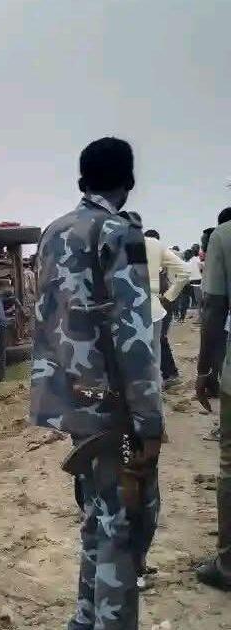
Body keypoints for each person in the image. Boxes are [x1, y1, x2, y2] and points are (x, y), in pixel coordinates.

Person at [31, 137, 162, 629]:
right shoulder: (120, 232)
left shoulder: (54, 231)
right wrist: (149, 418)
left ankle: (85, 620)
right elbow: (134, 334)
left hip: (68, 399)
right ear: (128, 181)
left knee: (98, 516)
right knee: (124, 526)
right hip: (113, 406)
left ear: (82, 181)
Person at [195, 213, 231, 591]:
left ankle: (228, 563)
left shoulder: (224, 236)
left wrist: (205, 371)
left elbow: (214, 309)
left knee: (230, 466)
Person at [143, 229, 189, 388]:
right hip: (159, 303)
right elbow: (184, 272)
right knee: (159, 341)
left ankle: (168, 374)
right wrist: (169, 296)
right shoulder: (160, 250)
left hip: (152, 302)